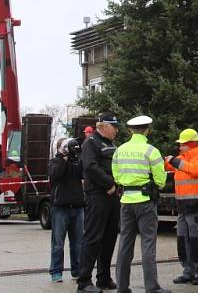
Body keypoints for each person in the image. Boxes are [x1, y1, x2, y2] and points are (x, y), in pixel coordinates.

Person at [112, 115, 169, 293]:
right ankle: (152, 287)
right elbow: (160, 180)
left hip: (126, 201)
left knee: (125, 244)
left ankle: (122, 287)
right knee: (148, 244)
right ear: (147, 130)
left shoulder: (119, 150)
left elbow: (116, 176)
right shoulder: (151, 150)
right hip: (145, 202)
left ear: (130, 131)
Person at [77, 114, 121, 293]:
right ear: (103, 126)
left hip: (112, 196)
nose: (117, 130)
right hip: (97, 195)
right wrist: (109, 183)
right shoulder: (91, 143)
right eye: (114, 126)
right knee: (93, 237)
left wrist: (116, 184)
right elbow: (90, 167)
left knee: (109, 237)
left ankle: (103, 277)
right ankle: (84, 282)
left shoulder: (112, 145)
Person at [164, 128, 198, 285]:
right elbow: (165, 166)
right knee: (182, 240)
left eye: (182, 144)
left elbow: (196, 171)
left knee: (197, 241)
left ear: (191, 144)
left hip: (196, 207)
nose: (179, 147)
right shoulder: (181, 158)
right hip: (182, 207)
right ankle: (188, 271)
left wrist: (175, 161)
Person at [48, 137, 85, 283]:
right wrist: (63, 158)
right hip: (60, 208)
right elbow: (56, 174)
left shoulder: (76, 162)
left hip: (77, 207)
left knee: (78, 243)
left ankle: (77, 270)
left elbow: (83, 172)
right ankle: (56, 272)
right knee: (58, 244)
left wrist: (78, 156)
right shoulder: (55, 162)